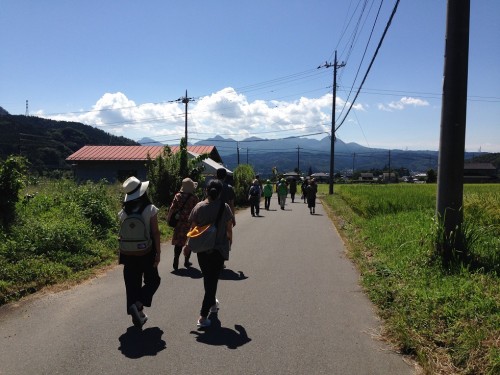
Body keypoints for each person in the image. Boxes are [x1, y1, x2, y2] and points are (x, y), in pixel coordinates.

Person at [184, 179, 233, 328]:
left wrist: (187, 245)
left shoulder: (198, 207)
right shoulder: (224, 207)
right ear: (220, 193)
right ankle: (202, 316)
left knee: (208, 278)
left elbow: (192, 229)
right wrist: (229, 243)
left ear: (206, 191)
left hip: (202, 250)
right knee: (212, 281)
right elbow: (229, 228)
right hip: (218, 249)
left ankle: (212, 304)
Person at [118, 176, 161, 328]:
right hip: (147, 252)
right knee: (153, 280)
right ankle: (138, 303)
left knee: (132, 284)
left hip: (128, 254)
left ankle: (136, 311)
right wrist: (158, 253)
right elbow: (155, 233)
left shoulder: (122, 213)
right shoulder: (150, 209)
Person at [167, 178, 199, 271]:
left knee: (178, 242)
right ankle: (186, 261)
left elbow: (172, 208)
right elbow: (196, 211)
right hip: (190, 223)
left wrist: (168, 218)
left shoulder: (177, 196)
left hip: (179, 223)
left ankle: (176, 259)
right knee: (189, 242)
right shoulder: (194, 198)